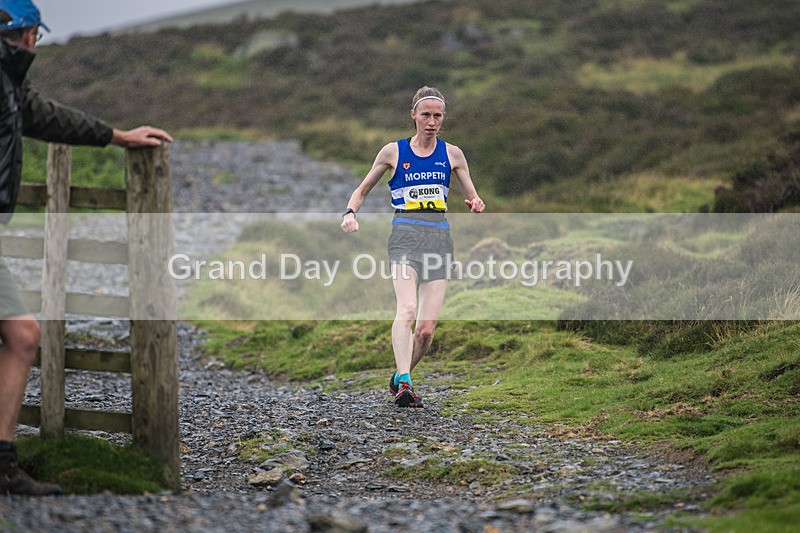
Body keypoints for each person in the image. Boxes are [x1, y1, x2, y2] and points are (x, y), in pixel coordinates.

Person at [0, 0, 173, 496]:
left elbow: (46, 117)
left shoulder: (10, 86)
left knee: (22, 334)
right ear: (26, 33)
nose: (36, 43)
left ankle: (3, 464)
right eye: (35, 34)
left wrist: (117, 136)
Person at [341, 86, 485, 408]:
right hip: (405, 234)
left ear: (442, 118)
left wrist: (475, 203)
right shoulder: (393, 152)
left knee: (425, 332)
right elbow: (362, 190)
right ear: (413, 116)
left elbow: (472, 195)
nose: (431, 122)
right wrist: (350, 213)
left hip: (439, 239)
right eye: (426, 115)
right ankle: (406, 383)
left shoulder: (453, 154)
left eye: (437, 116)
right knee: (406, 309)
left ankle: (398, 376)